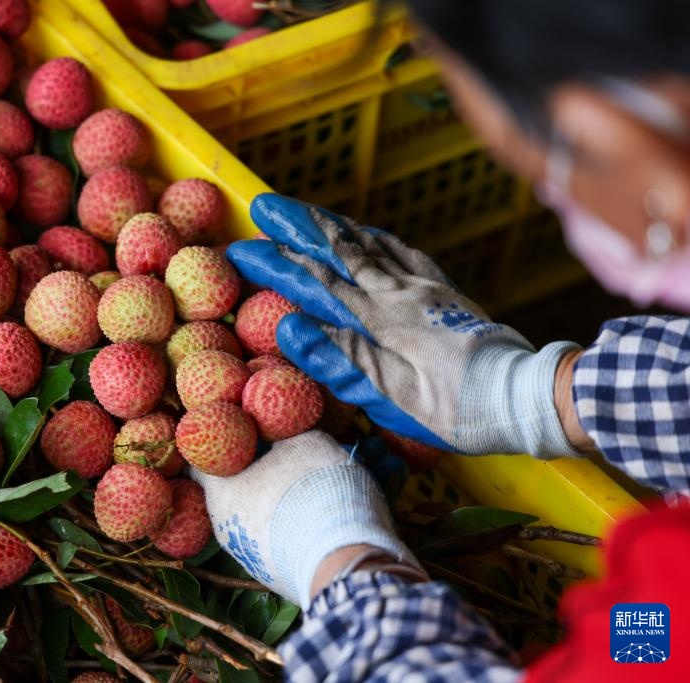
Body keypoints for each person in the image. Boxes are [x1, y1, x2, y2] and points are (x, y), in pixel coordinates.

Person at [191, 1, 690, 680]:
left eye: (542, 167)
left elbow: (645, 650)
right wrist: (540, 396)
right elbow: (643, 632)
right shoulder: (660, 606)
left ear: (605, 131)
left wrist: (341, 558)